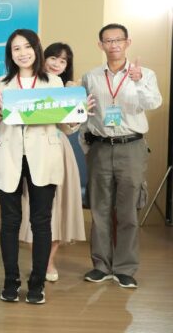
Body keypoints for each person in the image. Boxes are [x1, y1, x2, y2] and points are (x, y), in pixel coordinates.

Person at [0, 29, 82, 305]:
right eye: (16, 49)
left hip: (43, 156)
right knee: (10, 222)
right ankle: (10, 281)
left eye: (27, 47)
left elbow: (65, 125)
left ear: (36, 49)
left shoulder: (54, 82)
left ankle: (37, 283)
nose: (22, 53)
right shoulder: (0, 84)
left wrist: (78, 114)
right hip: (8, 156)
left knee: (41, 222)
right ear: (10, 54)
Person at [81, 23, 161, 289]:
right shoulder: (91, 77)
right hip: (100, 147)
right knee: (100, 209)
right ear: (100, 45)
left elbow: (153, 103)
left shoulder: (145, 74)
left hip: (131, 146)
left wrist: (137, 81)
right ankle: (101, 266)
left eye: (118, 40)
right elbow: (85, 114)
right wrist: (88, 147)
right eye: (108, 40)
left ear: (128, 42)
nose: (113, 44)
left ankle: (125, 268)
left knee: (128, 211)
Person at [18, 43, 86, 281]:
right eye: (53, 58)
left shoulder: (68, 89)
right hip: (30, 151)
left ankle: (47, 262)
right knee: (33, 208)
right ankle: (41, 260)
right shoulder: (27, 84)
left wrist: (78, 113)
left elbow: (68, 128)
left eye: (63, 61)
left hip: (59, 149)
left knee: (59, 209)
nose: (57, 64)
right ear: (42, 58)